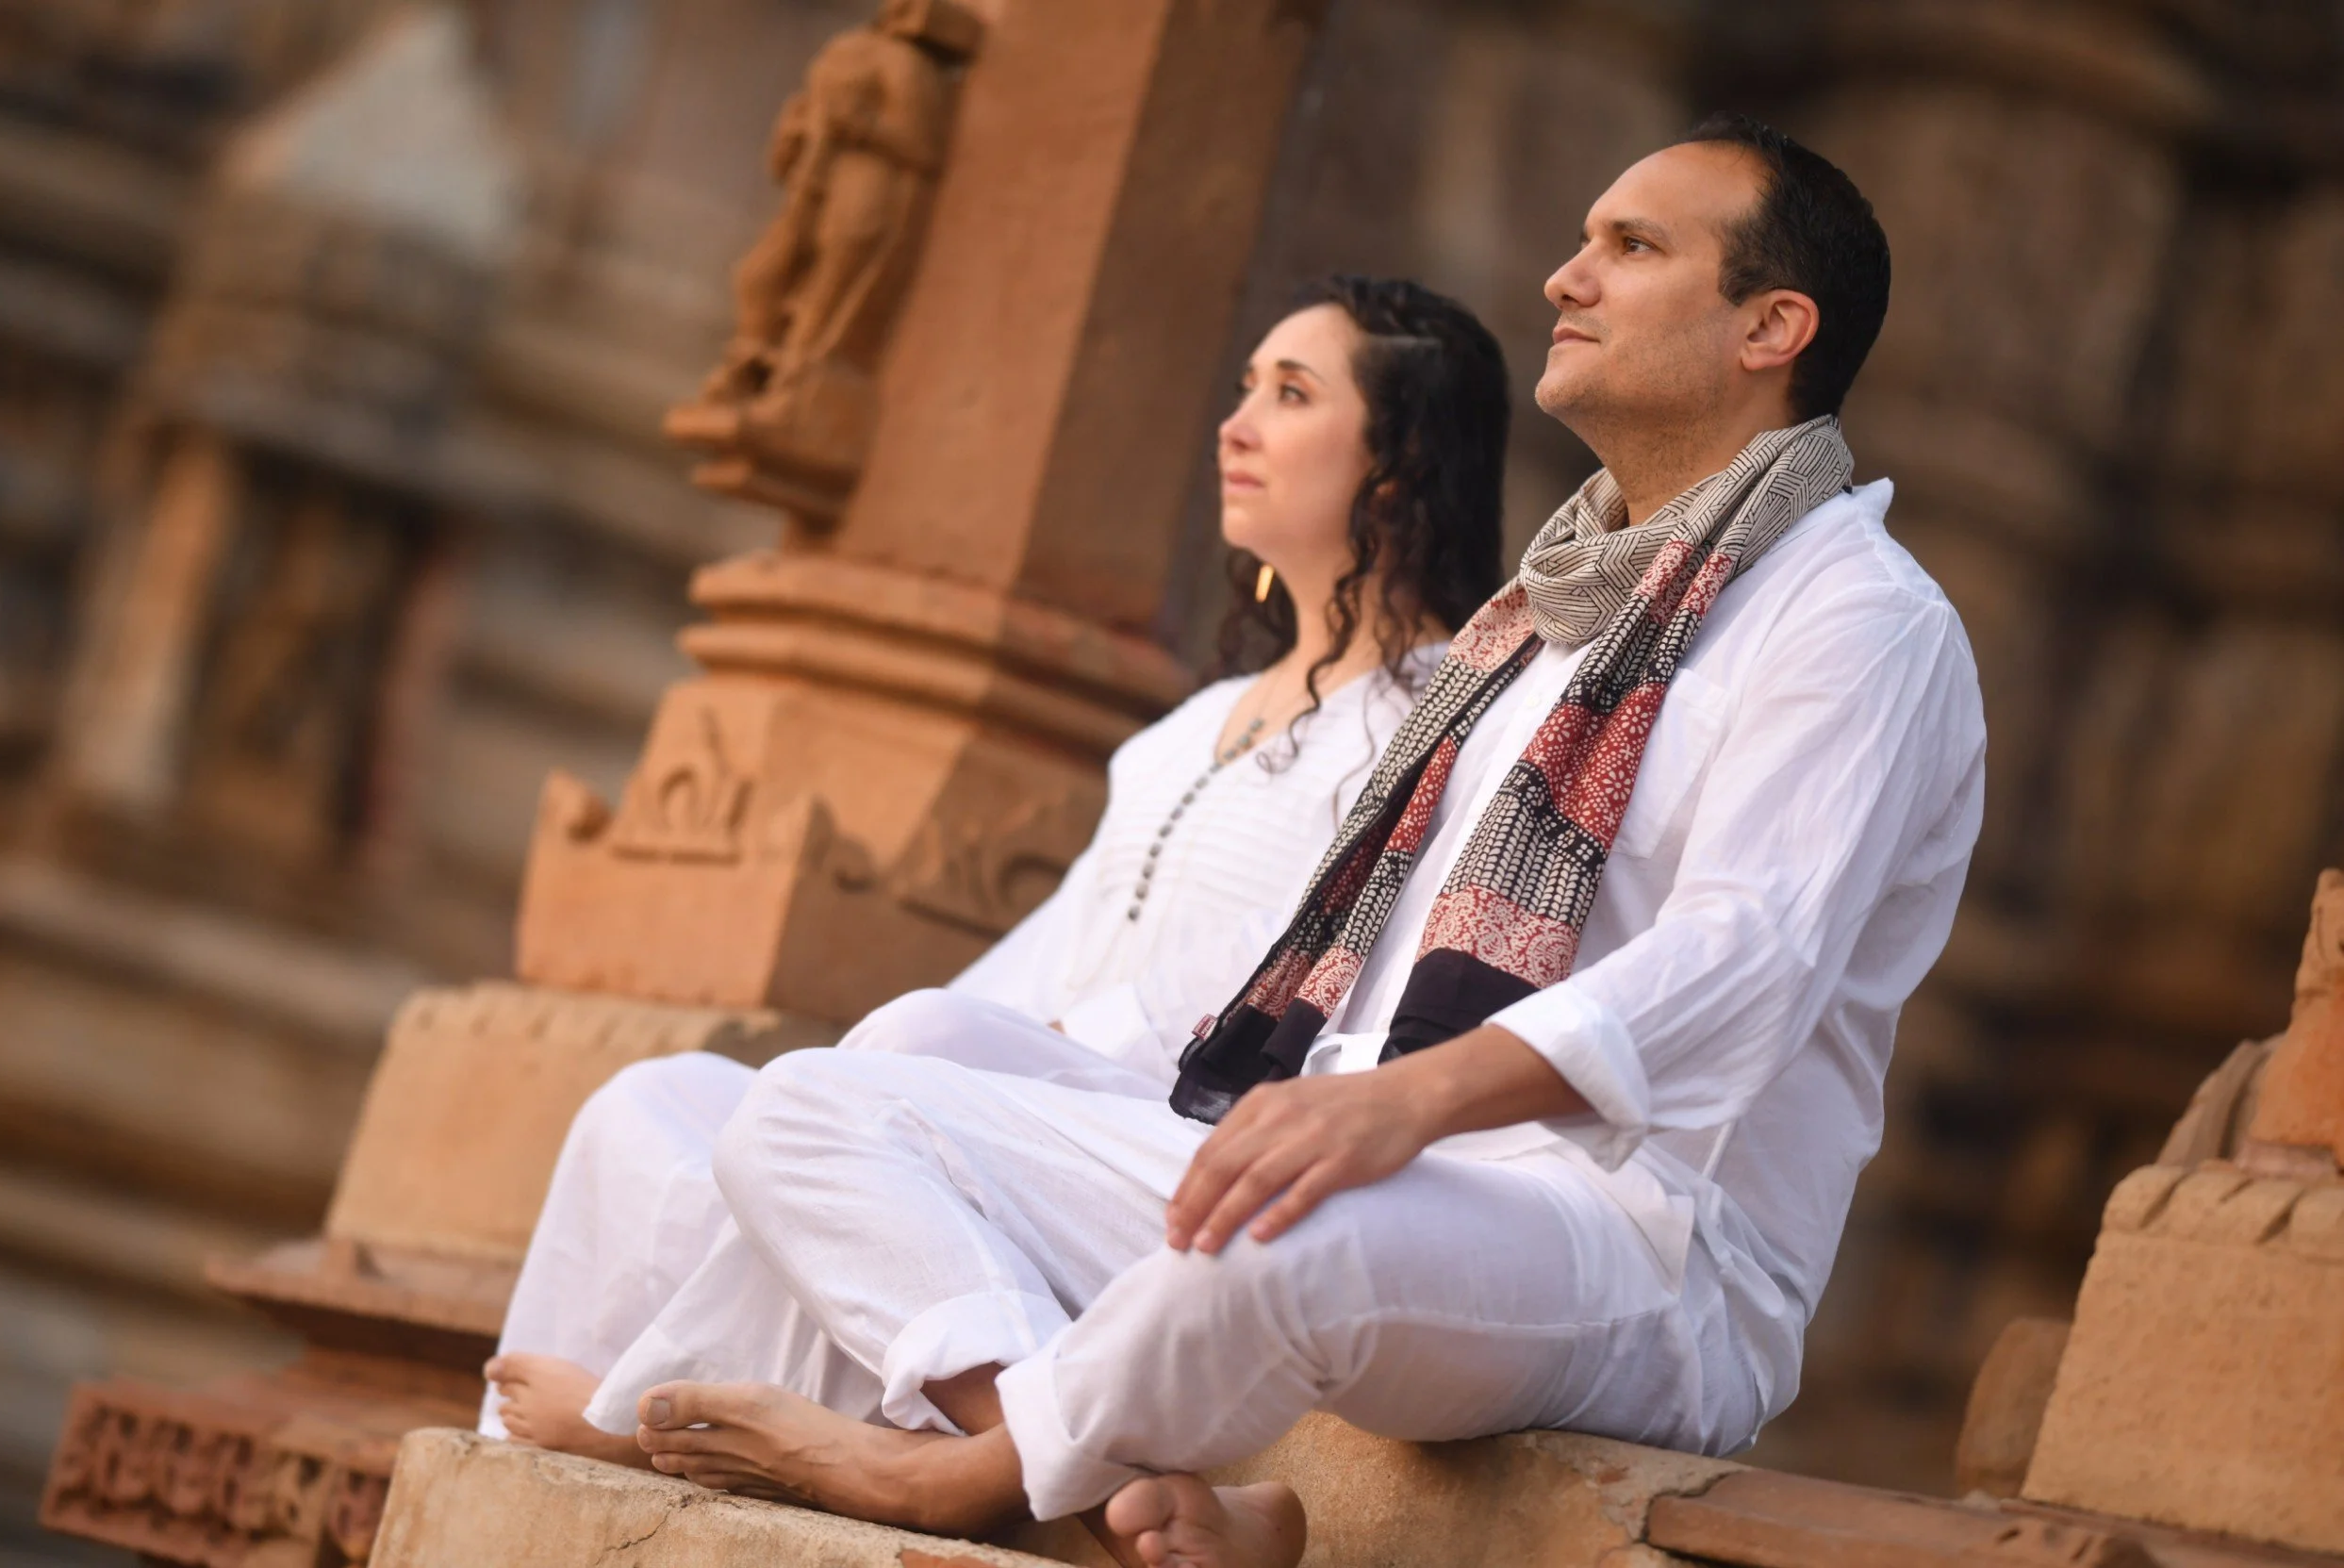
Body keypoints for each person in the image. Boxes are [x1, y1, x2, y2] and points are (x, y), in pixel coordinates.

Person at [601, 112, 1986, 1568]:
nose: (1561, 281)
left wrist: (1398, 1106)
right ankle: (1083, 1481)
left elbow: (1744, 959)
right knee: (839, 1092)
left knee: (1270, 1232)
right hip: (1380, 1163)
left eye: (1629, 247)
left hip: (1633, 1243)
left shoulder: (1858, 616)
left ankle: (959, 1478)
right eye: (1581, 241)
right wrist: (1302, 1097)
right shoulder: (1547, 613)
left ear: (1772, 324)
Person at [480, 275, 1514, 1460]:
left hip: (1178, 1133)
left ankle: (637, 1424)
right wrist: (903, 1066)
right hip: (1007, 1090)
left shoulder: (1440, 722)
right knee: (653, 1100)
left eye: (1290, 394)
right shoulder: (1191, 728)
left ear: (1398, 461)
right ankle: (645, 1418)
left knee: (918, 1043)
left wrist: (1000, 1053)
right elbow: (1024, 973)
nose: (1235, 427)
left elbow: (1318, 984)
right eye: (1243, 391)